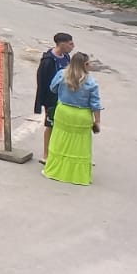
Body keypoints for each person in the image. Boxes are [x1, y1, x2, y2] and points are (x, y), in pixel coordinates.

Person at [43, 51, 102, 186]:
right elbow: (95, 104)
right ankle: (77, 175)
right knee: (79, 145)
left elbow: (53, 88)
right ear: (85, 65)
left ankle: (55, 170)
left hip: (64, 112)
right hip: (82, 115)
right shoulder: (91, 82)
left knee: (60, 141)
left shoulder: (62, 74)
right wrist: (97, 121)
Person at [34, 32, 75, 164]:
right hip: (51, 99)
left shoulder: (67, 57)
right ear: (62, 44)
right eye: (70, 44)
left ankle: (59, 151)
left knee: (62, 125)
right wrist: (41, 102)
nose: (73, 46)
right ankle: (46, 154)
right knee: (50, 125)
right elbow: (42, 82)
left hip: (65, 98)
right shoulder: (48, 61)